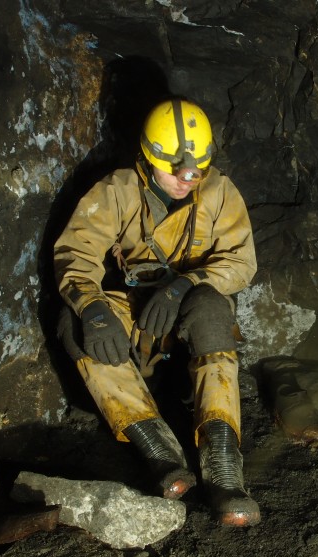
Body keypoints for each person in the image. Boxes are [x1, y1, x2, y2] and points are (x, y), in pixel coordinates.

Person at [54, 98, 260, 526]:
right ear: (147, 157)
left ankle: (222, 465)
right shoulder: (117, 190)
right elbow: (76, 251)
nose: (188, 179)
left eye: (197, 169)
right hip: (136, 309)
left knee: (209, 306)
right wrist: (92, 306)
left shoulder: (219, 191)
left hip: (189, 317)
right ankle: (159, 450)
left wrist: (186, 283)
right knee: (73, 322)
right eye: (176, 169)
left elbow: (242, 262)